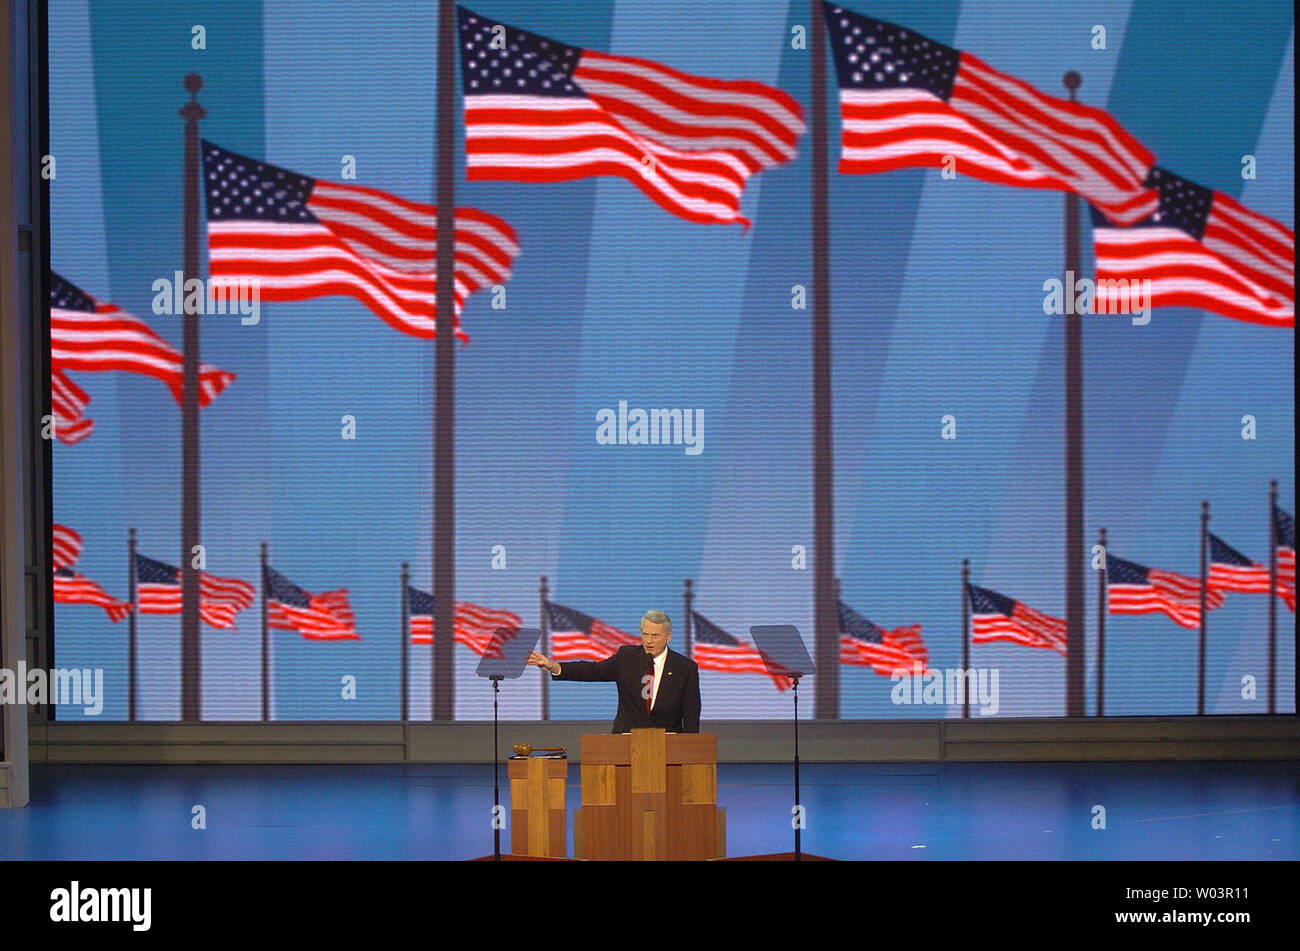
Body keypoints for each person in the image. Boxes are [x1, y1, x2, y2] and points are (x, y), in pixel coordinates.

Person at [527, 609, 700, 733]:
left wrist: (691, 750)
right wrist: (555, 666)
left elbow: (691, 713)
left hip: (668, 744)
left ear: (668, 636)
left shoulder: (685, 668)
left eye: (655, 636)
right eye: (645, 634)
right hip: (626, 741)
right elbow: (592, 670)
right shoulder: (626, 657)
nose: (649, 641)